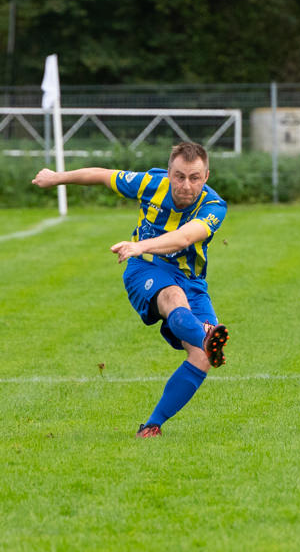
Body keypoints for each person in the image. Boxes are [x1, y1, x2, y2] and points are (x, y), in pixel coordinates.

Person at [32, 141, 230, 438]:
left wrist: (139, 244)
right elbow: (102, 175)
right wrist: (56, 177)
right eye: (179, 176)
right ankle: (206, 336)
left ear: (206, 177)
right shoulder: (150, 183)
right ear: (168, 172)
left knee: (202, 358)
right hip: (146, 268)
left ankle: (151, 426)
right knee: (173, 299)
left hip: (191, 281)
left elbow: (183, 238)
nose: (185, 185)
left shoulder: (214, 206)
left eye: (194, 178)